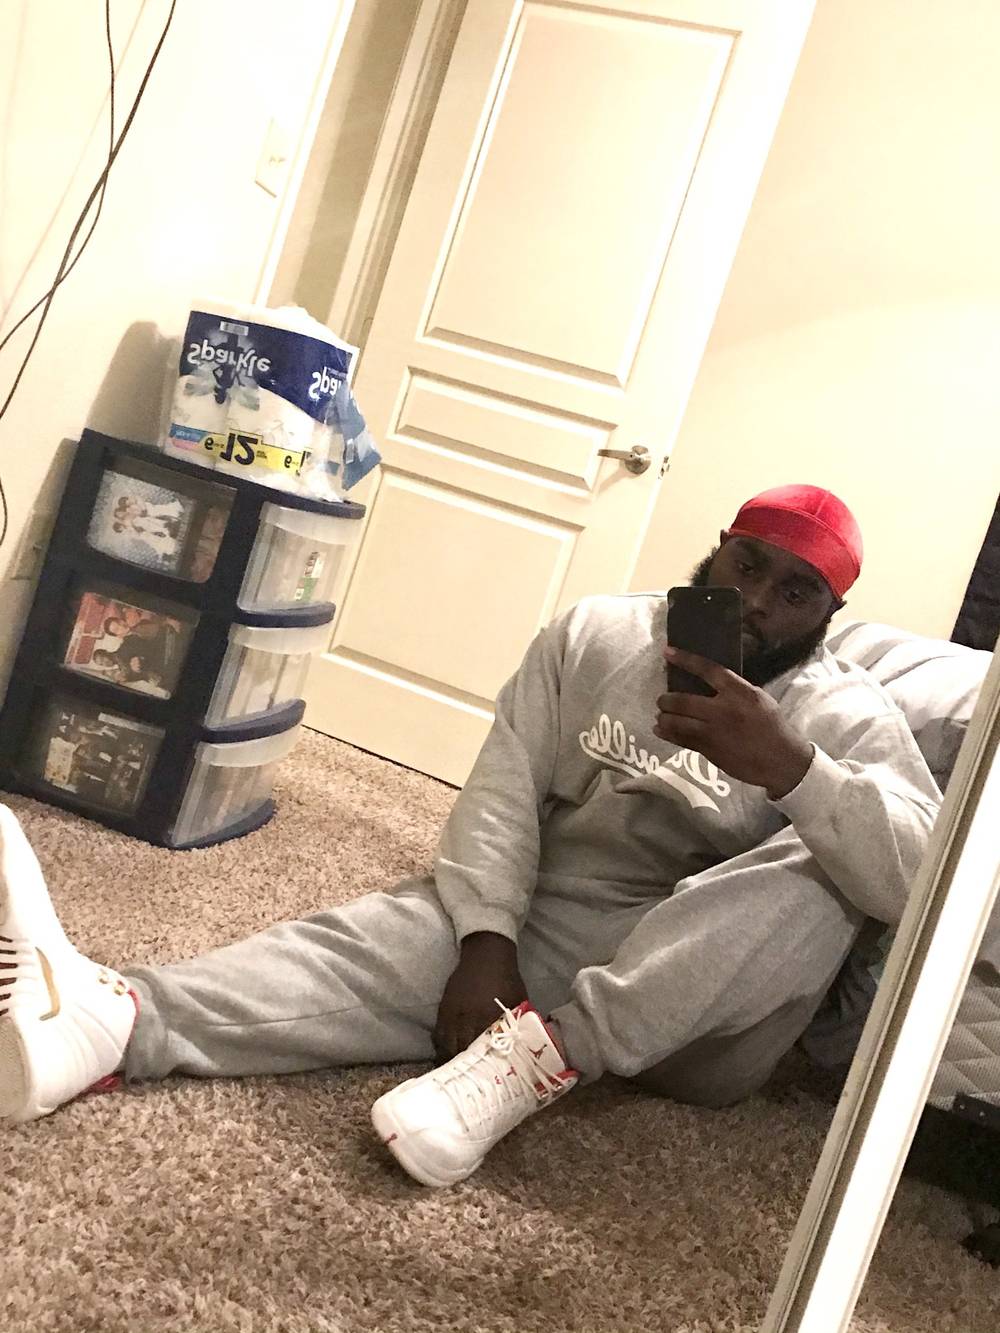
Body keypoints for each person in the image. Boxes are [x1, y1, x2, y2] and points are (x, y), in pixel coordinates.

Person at [0, 486, 942, 1189]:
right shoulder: (598, 633)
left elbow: (918, 886)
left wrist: (794, 770)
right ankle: (110, 1021)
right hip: (553, 928)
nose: (761, 602)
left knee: (828, 860)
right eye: (749, 566)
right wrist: (487, 938)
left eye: (796, 592)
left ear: (830, 617)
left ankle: (541, 1058)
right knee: (371, 940)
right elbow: (504, 787)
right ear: (718, 549)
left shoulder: (845, 714)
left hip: (705, 1011)